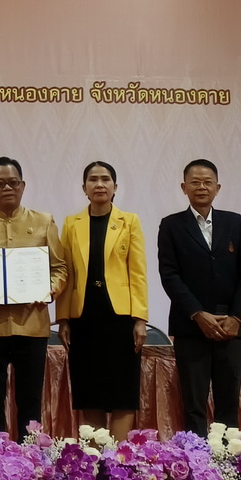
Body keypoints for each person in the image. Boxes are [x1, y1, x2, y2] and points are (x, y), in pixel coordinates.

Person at [0, 157, 67, 438]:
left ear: (23, 186)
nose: (8, 188)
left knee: (30, 403)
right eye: (0, 183)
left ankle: (30, 461)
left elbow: (59, 268)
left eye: (13, 182)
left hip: (31, 326)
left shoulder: (44, 222)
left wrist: (49, 289)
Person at [156, 160, 241, 435]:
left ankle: (228, 462)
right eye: (195, 181)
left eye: (207, 182)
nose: (201, 187)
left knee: (228, 403)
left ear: (217, 187)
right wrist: (198, 314)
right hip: (191, 327)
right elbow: (169, 275)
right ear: (183, 187)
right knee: (194, 404)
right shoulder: (171, 225)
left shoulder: (234, 222)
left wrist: (237, 317)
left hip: (231, 327)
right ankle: (196, 463)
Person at [59, 161, 148, 440]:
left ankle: (119, 457)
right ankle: (93, 459)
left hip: (120, 318)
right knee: (90, 392)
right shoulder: (71, 224)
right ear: (84, 188)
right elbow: (67, 271)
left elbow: (138, 272)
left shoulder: (129, 221)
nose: (100, 184)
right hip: (83, 318)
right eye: (93, 180)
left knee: (123, 392)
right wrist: (63, 318)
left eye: (106, 179)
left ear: (115, 187)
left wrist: (140, 319)